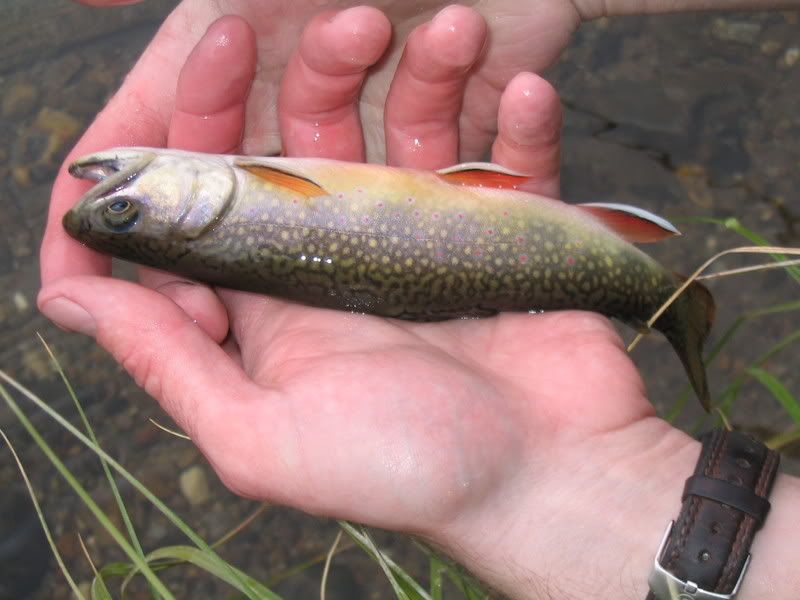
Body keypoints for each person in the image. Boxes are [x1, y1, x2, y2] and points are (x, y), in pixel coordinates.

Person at [41, 2, 800, 598]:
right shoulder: (242, 197)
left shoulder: (233, 206)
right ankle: (668, 307)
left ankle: (669, 310)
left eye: (120, 212)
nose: (117, 198)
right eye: (124, 215)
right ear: (188, 222)